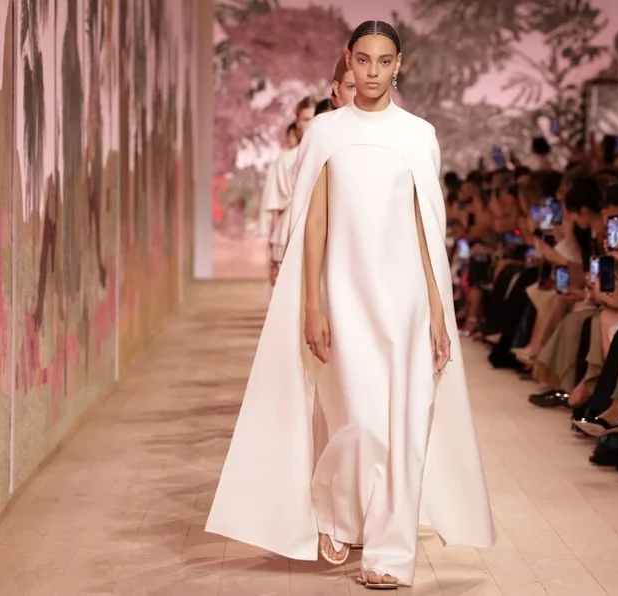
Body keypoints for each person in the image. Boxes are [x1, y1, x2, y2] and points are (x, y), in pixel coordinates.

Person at [205, 19, 496, 591]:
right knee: (360, 423)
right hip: (344, 296)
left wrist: (439, 313)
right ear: (348, 60)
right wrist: (311, 305)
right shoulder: (325, 132)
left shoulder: (418, 134)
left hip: (408, 302)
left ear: (398, 65)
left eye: (384, 61)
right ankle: (335, 511)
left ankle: (388, 556)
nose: (372, 72)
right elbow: (312, 223)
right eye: (363, 60)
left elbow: (425, 228)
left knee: (405, 430)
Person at [262, 96, 317, 284]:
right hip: (286, 232)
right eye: (306, 119)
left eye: (314, 118)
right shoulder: (284, 160)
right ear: (297, 121)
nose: (310, 124)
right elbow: (276, 210)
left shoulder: (330, 157)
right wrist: (271, 256)